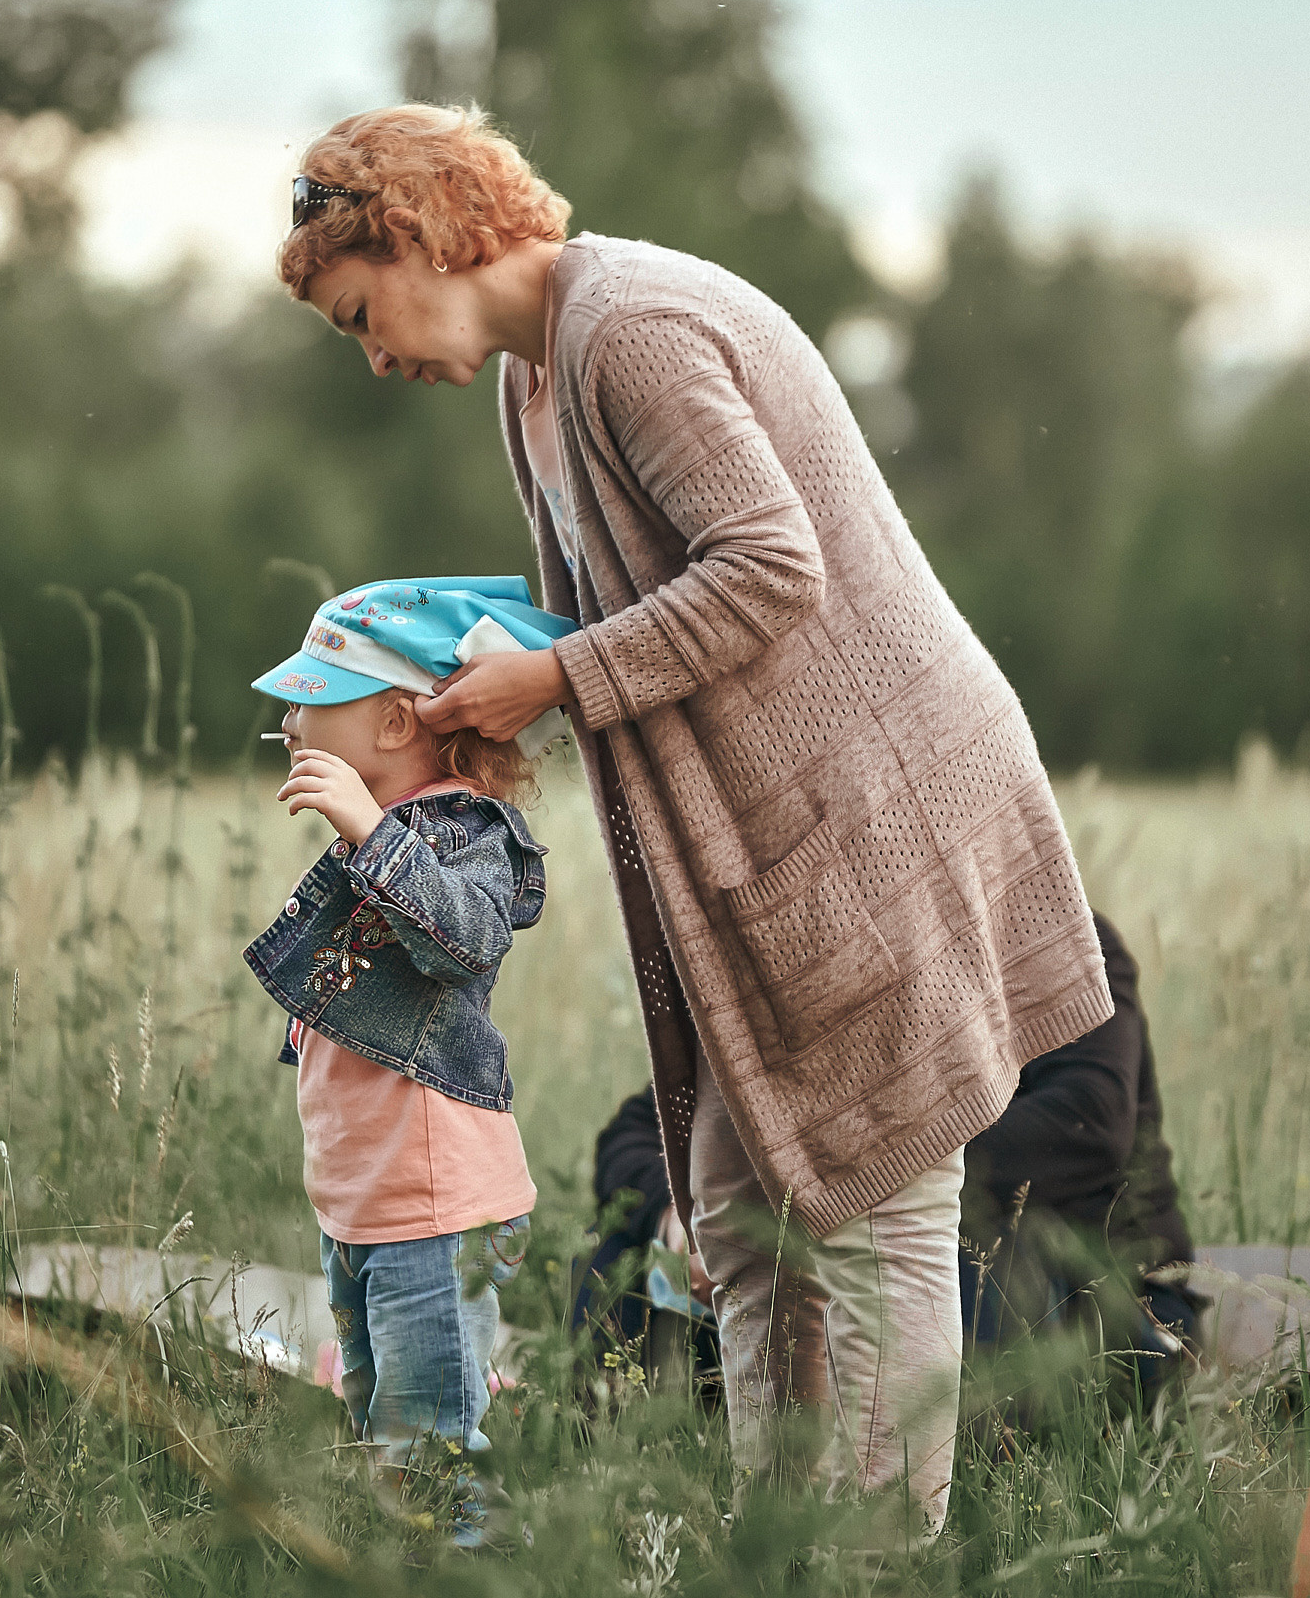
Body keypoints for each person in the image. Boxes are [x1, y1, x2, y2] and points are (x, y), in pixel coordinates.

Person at [279, 104, 1111, 1541]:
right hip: (777, 840)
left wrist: (554, 675)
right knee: (735, 1213)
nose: (372, 355)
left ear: (413, 235)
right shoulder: (533, 379)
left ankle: (875, 1561)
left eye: (363, 312)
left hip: (870, 817)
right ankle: (775, 1547)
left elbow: (770, 566)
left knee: (876, 1215)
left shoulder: (632, 330)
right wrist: (503, 687)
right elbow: (616, 622)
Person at [239, 575, 576, 1549]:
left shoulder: (459, 827)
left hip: (434, 1207)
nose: (291, 721)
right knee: (381, 1431)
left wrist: (369, 831)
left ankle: (466, 1562)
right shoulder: (383, 829)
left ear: (395, 719)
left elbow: (468, 938)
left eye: (312, 697)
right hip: (362, 1204)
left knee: (428, 1451)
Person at [573, 914, 1199, 1411]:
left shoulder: (1058, 937)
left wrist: (844, 1190)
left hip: (1087, 1292)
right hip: (830, 1261)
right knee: (617, 1254)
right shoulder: (839, 957)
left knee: (953, 1260)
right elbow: (639, 1128)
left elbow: (1086, 1125)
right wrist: (679, 1219)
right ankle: (620, 1446)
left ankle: (910, 1514)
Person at [959, 913, 1202, 1412]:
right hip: (1019, 1294)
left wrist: (911, 1174)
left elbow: (1091, 1118)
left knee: (977, 1247)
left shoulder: (1062, 936)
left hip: (1126, 1307)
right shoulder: (908, 964)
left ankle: (978, 1471)